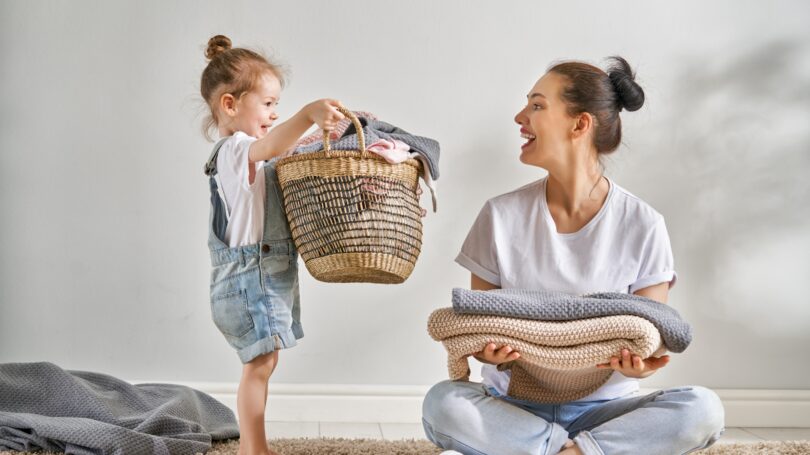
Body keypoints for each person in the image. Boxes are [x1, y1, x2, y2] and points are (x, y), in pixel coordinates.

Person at [422, 56, 725, 455]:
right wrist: (484, 350)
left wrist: (643, 360)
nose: (519, 116)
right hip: (513, 407)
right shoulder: (500, 215)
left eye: (536, 105)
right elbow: (481, 322)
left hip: (607, 410)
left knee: (702, 410)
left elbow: (651, 334)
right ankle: (579, 451)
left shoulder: (643, 222)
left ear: (579, 124)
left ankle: (569, 449)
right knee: (443, 402)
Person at [199, 35, 344, 455]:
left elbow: (280, 155)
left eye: (277, 104)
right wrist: (307, 115)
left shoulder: (251, 156)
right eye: (267, 104)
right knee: (258, 366)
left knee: (263, 364)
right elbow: (271, 144)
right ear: (230, 105)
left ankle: (253, 445)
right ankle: (253, 448)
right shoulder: (234, 149)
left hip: (262, 276)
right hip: (249, 279)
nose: (274, 112)